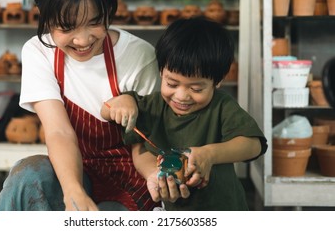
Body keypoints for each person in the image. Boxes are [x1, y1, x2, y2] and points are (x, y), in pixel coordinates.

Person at [0, 0, 168, 211]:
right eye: (67, 27)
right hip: (71, 167)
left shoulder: (138, 56)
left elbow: (145, 144)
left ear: (109, 8)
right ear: (44, 14)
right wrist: (73, 190)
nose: (83, 40)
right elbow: (59, 132)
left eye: (95, 22)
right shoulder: (39, 52)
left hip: (128, 178)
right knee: (28, 175)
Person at [101, 16, 268, 210]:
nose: (181, 96)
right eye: (171, 84)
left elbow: (254, 145)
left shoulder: (221, 106)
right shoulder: (152, 106)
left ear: (218, 81)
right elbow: (139, 148)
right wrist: (124, 101)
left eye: (196, 89)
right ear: (161, 71)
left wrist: (209, 154)